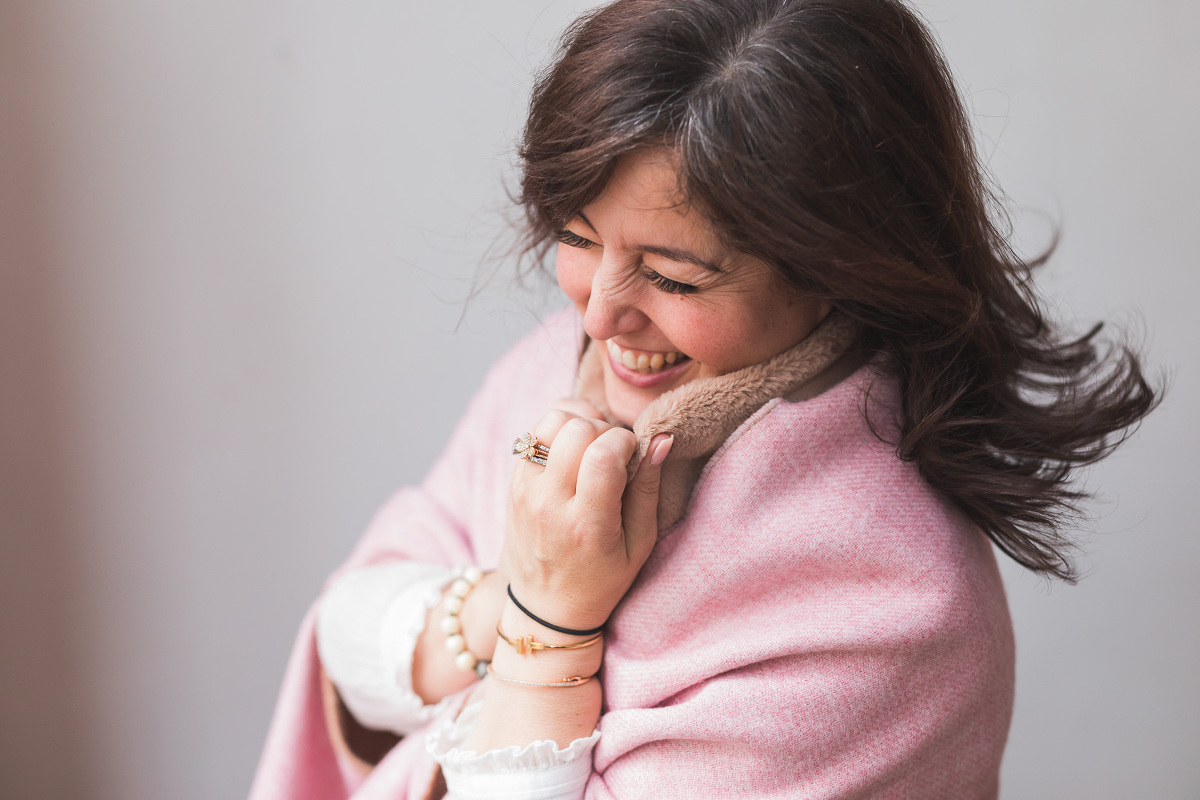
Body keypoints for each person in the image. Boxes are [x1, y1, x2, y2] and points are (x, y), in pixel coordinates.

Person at [250, 1, 1159, 798]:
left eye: (673, 278)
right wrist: (502, 600)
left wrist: (547, 632)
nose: (601, 312)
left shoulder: (887, 604)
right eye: (576, 235)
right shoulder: (554, 371)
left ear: (839, 268)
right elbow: (346, 631)